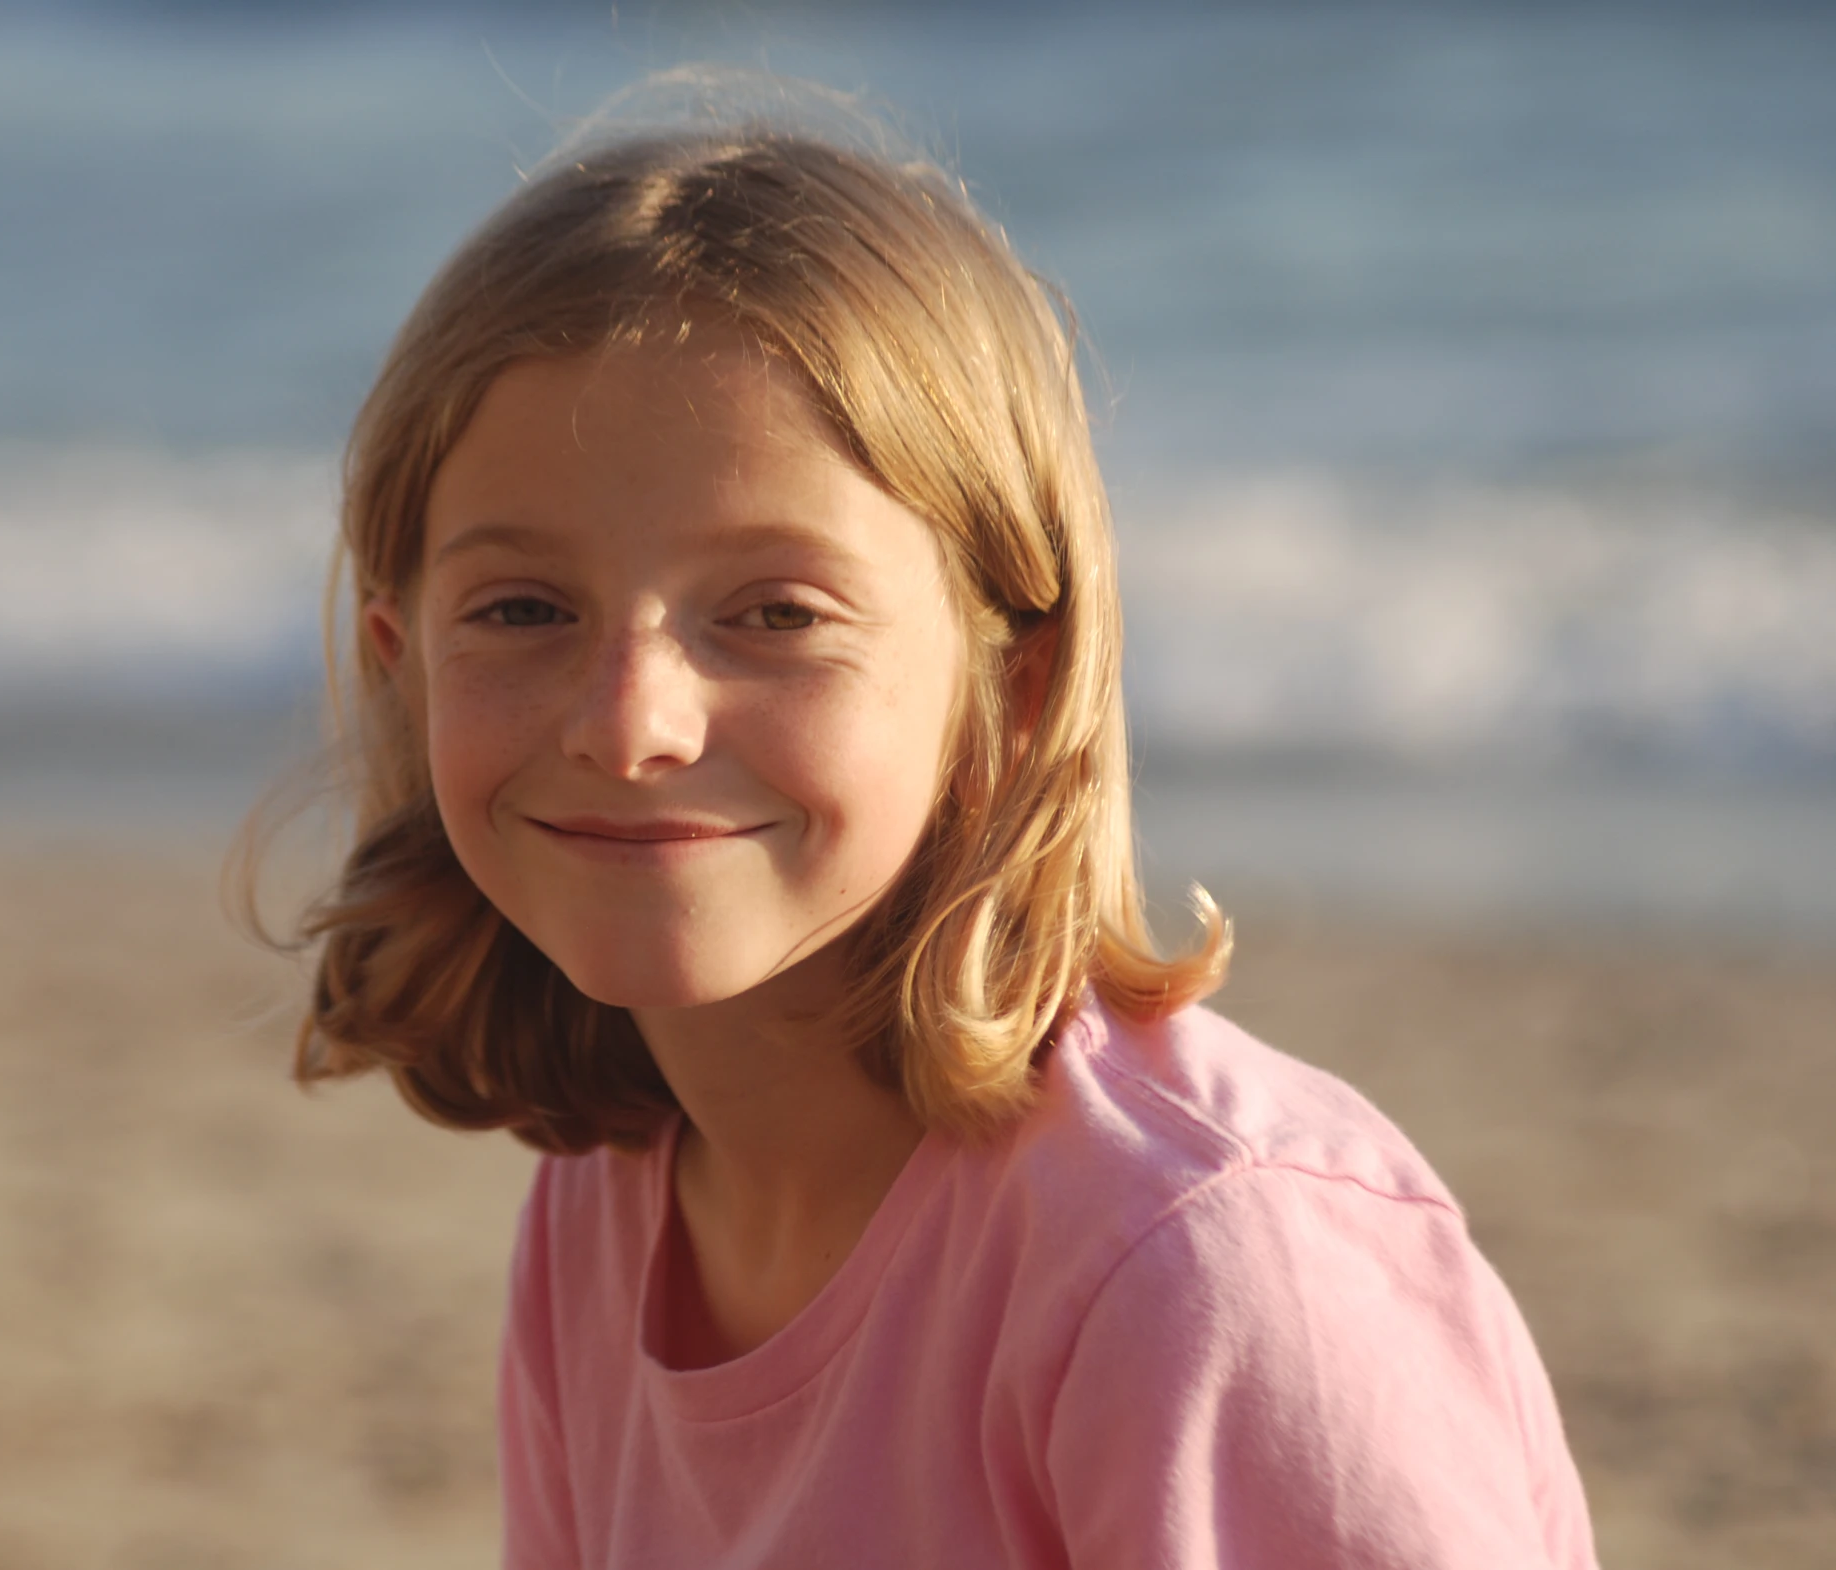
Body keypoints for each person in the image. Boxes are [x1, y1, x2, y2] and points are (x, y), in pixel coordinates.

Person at [245, 84, 1599, 1568]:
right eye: (521, 609)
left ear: (1012, 681)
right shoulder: (606, 1207)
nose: (629, 722)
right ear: (403, 657)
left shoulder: (1204, 1269)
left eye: (775, 613)